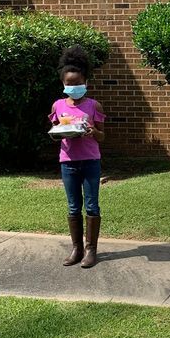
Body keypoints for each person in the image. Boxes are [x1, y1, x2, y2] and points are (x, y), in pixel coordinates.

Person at [49, 45, 106, 268]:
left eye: (77, 83)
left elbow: (102, 137)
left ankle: (91, 250)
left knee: (92, 205)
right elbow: (55, 130)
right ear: (63, 84)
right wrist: (57, 133)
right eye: (69, 84)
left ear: (86, 82)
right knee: (73, 207)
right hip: (68, 162)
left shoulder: (94, 105)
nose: (73, 87)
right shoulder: (58, 105)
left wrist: (94, 132)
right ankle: (77, 248)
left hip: (90, 161)